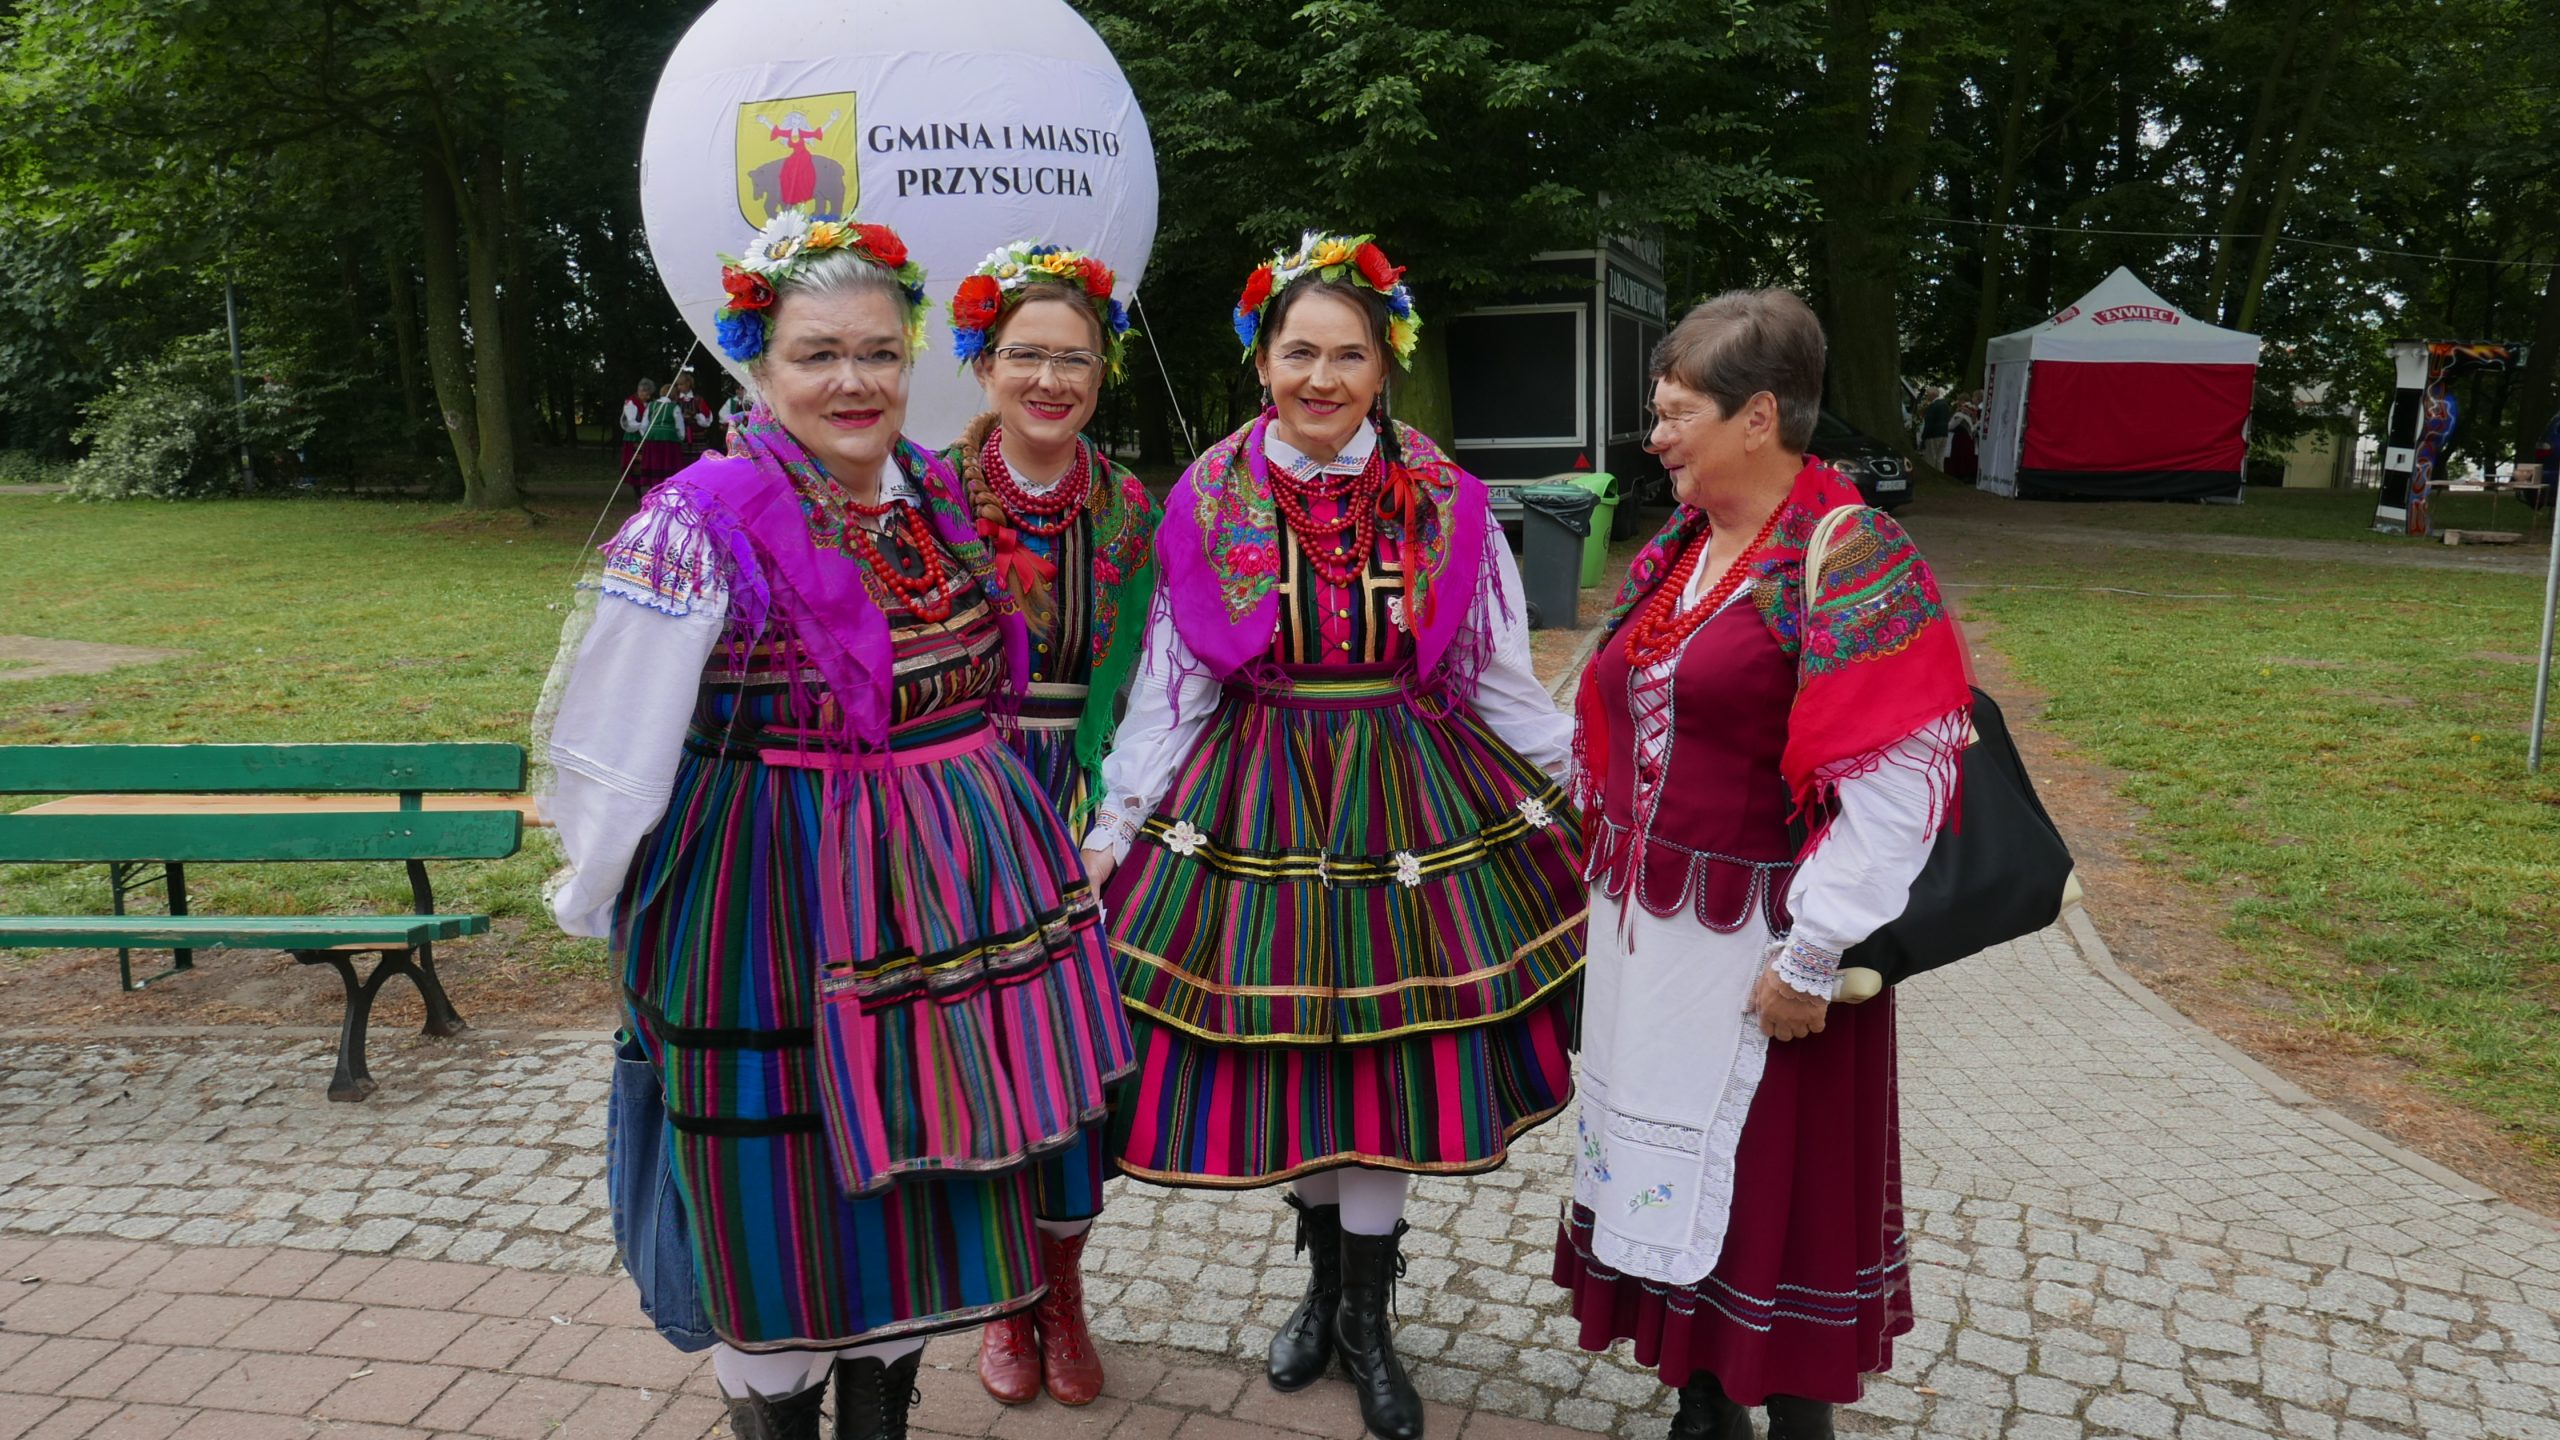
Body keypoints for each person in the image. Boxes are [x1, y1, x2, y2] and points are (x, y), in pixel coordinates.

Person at [542, 209, 1134, 1440]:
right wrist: (600, 899)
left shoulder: (927, 498)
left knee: (918, 1181)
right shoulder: (699, 522)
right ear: (757, 365)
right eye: (817, 354)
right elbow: (614, 744)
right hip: (772, 900)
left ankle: (882, 1415)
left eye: (877, 352)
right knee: (782, 1189)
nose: (853, 381)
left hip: (951, 904)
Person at [1084, 232, 1586, 1440]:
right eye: (1298, 352)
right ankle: (1320, 1287)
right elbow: (1172, 683)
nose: (1322, 377)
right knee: (1297, 1056)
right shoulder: (1209, 494)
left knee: (1386, 1059)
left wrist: (1591, 779)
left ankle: (1367, 1316)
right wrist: (1117, 824)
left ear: (1383, 364)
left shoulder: (1446, 495)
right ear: (1261, 360)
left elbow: (1497, 673)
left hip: (1405, 789)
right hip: (1254, 789)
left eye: (1348, 355)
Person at [1553, 289, 1972, 1440]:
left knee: (1770, 1188)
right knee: (1669, 1158)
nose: (1655, 437)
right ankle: (1700, 1397)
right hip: (1653, 939)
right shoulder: (1684, 548)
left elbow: (1897, 784)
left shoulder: (1850, 554)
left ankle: (1791, 1422)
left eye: (1675, 413)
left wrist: (1811, 954)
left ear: (1760, 416)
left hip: (1766, 948)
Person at [938, 240, 1159, 1408]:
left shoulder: (1131, 509)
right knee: (982, 1053)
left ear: (1100, 372)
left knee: (1079, 1058)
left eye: (1073, 359)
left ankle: (1060, 1288)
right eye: (1025, 354)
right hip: (956, 799)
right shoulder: (926, 496)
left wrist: (1117, 817)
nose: (1049, 379)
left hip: (1082, 800)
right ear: (983, 363)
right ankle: (1000, 1294)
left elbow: (1158, 680)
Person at [618, 375, 684, 489]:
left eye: (649, 394)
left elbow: (646, 422)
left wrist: (648, 432)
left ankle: (653, 487)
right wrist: (648, 428)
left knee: (652, 463)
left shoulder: (651, 404)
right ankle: (640, 491)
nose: (648, 396)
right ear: (640, 391)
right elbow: (630, 422)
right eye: (646, 393)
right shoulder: (631, 403)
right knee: (638, 466)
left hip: (648, 437)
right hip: (635, 436)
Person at [668, 367, 716, 450]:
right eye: (677, 385)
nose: (678, 387)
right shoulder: (675, 401)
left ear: (688, 384)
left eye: (681, 384)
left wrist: (695, 415)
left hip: (698, 437)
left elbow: (707, 421)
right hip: (680, 437)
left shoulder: (698, 399)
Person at [1918, 385, 1952, 470]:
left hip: (1933, 435)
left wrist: (1924, 437)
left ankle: (1930, 475)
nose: (1927, 396)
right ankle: (1940, 475)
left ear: (1932, 395)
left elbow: (1929, 423)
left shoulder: (1933, 406)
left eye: (1928, 394)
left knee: (1930, 459)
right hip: (1944, 434)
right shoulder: (1945, 405)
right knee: (1940, 459)